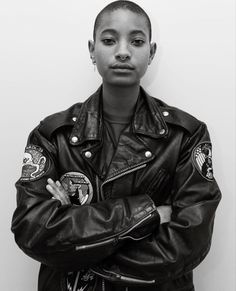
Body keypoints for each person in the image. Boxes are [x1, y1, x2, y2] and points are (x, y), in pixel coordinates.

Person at [11, 1, 221, 291]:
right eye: (109, 40)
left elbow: (188, 243)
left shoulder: (186, 135)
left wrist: (76, 237)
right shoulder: (52, 135)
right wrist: (148, 214)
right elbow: (32, 230)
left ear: (152, 52)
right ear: (91, 50)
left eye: (136, 41)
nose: (123, 51)